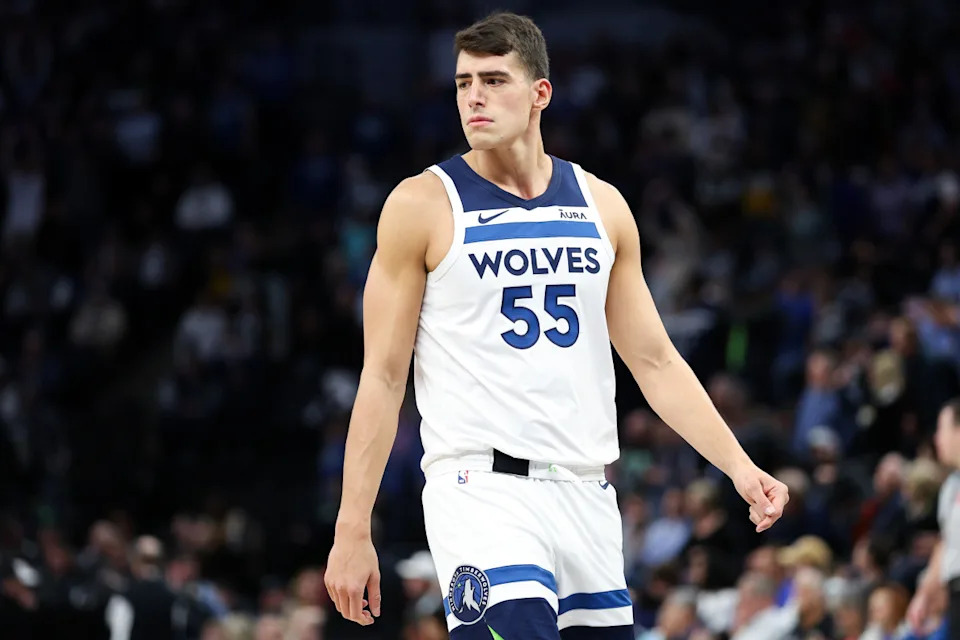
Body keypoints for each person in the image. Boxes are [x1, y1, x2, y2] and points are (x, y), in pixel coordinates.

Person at [324, 11, 789, 638]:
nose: (474, 97)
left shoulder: (602, 204)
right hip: (481, 487)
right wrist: (353, 525)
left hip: (587, 493)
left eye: (493, 80)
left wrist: (738, 465)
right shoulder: (421, 205)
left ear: (540, 92)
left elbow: (653, 360)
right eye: (463, 83)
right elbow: (381, 376)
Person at [907, 398, 960, 639]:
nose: (937, 438)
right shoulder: (950, 486)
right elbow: (945, 543)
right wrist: (924, 594)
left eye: (942, 429)